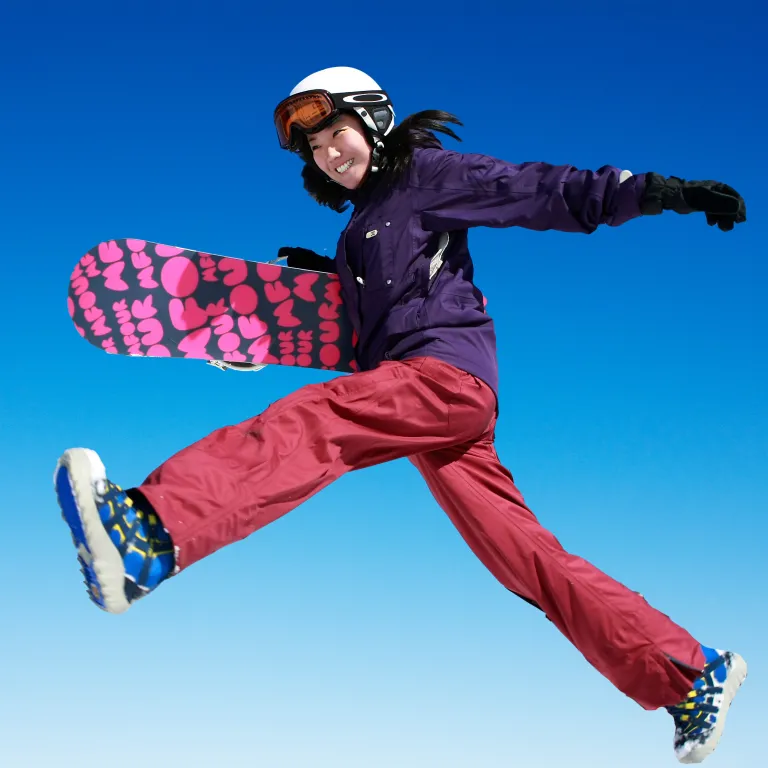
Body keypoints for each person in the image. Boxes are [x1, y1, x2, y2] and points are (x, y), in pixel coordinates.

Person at [54, 66, 747, 763]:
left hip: (445, 378)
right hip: (431, 406)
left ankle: (154, 530)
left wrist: (658, 192)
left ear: (374, 120)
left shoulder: (427, 175)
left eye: (336, 132)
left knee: (318, 422)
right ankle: (688, 675)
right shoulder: (362, 233)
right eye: (315, 147)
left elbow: (536, 189)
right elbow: (373, 319)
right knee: (526, 559)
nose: (328, 152)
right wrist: (307, 297)